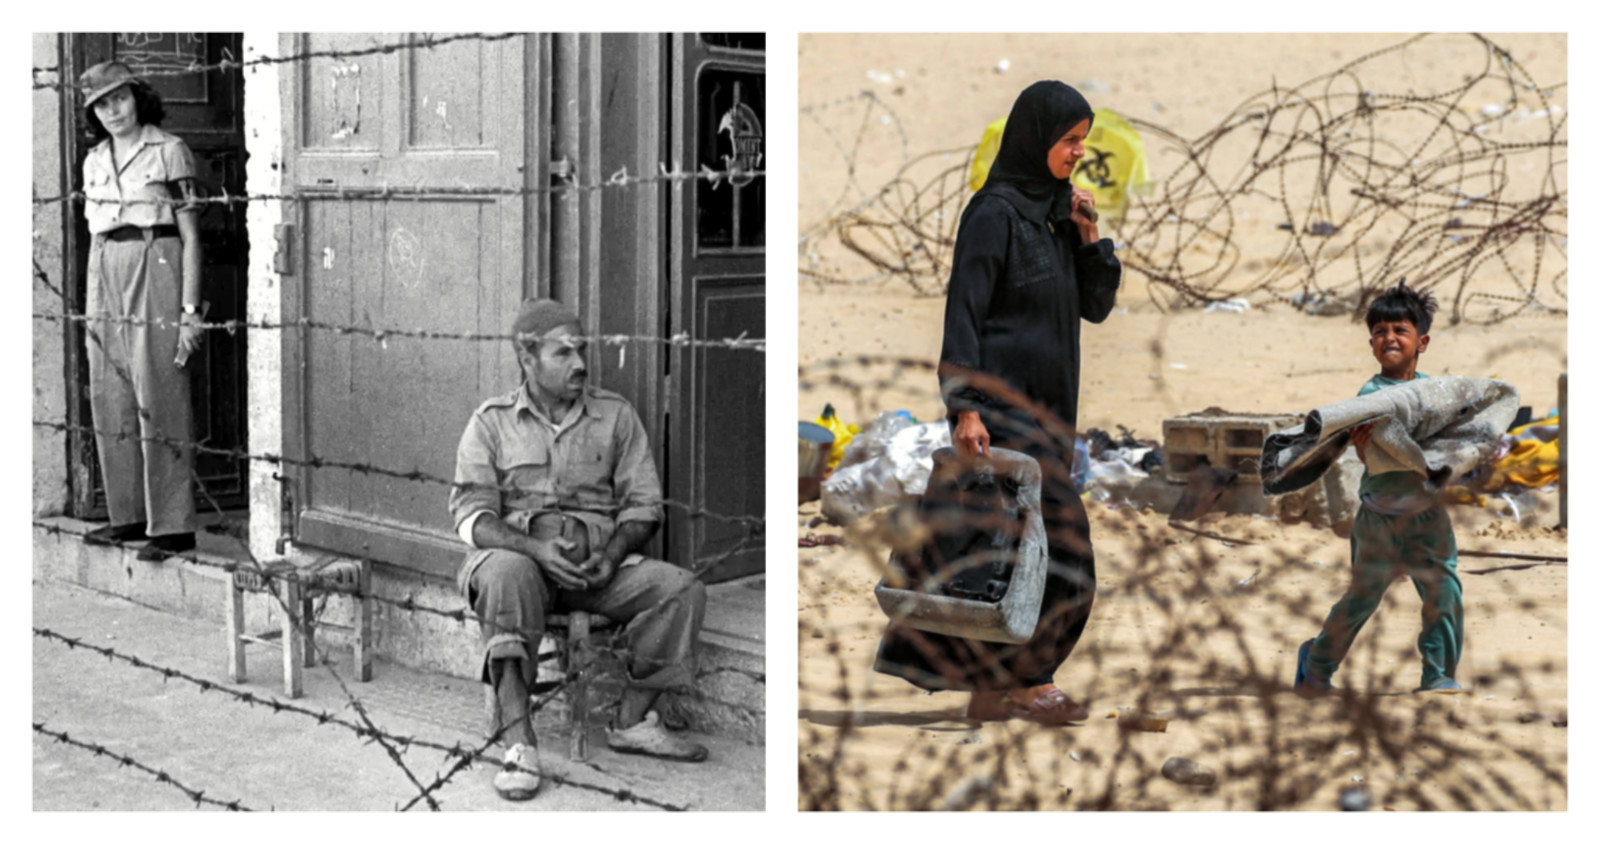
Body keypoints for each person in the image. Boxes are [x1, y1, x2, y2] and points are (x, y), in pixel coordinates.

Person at [874, 81, 1122, 724]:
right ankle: (1032, 676)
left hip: (1051, 414)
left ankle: (995, 682)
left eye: (1081, 143)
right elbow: (965, 314)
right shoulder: (993, 216)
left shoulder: (1058, 213)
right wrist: (965, 407)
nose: (1076, 154)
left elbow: (1095, 308)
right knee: (1066, 549)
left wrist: (1091, 237)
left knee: (1010, 554)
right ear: (1035, 140)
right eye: (1068, 141)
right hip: (1001, 415)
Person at [449, 298, 710, 801]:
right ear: (528, 359)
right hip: (520, 567)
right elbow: (471, 517)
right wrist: (535, 549)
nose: (581, 364)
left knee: (681, 589)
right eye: (564, 354)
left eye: (582, 351)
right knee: (506, 574)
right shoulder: (491, 423)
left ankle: (632, 720)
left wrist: (611, 555)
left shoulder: (615, 416)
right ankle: (519, 741)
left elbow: (644, 505)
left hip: (596, 573)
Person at [1294, 281, 1466, 697]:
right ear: (1371, 343)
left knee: (1443, 593)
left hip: (1427, 515)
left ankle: (1438, 674)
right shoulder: (1371, 397)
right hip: (1379, 517)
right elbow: (1374, 453)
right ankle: (1315, 665)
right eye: (1380, 332)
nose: (1389, 338)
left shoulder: (1434, 393)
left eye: (1400, 330)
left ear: (1421, 341)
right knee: (1363, 598)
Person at [76, 61, 204, 561]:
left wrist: (190, 309)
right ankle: (126, 515)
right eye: (101, 105)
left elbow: (191, 236)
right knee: (110, 387)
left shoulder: (169, 150)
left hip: (157, 258)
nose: (113, 111)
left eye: (120, 99)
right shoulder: (93, 160)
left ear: (138, 97)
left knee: (159, 385)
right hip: (103, 263)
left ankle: (172, 525)